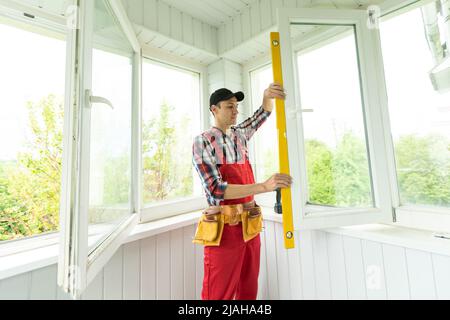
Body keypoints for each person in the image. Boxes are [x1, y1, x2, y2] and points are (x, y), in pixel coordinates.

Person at [192, 83, 293, 300]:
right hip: (224, 230)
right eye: (230, 106)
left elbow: (261, 115)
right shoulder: (203, 141)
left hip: (250, 225)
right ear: (214, 109)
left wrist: (267, 96)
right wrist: (264, 186)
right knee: (218, 294)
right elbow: (216, 190)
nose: (236, 111)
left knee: (248, 289)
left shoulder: (240, 135)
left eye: (236, 106)